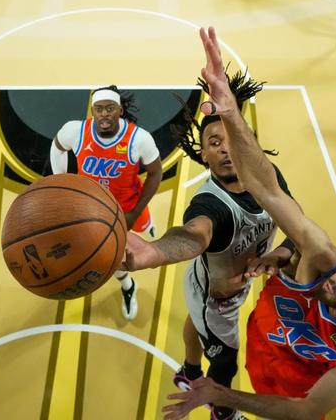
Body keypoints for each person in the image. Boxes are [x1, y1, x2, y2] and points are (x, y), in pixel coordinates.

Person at [161, 26, 336, 420]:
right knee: (206, 317)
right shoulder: (322, 257)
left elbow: (307, 409)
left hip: (290, 396)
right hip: (257, 346)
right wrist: (230, 111)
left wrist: (226, 397)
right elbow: (268, 190)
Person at [124, 71, 296, 420]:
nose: (225, 148)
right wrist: (156, 252)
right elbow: (192, 236)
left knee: (196, 321)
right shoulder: (210, 205)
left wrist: (282, 252)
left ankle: (189, 370)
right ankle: (223, 411)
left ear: (249, 143)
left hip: (219, 282)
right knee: (225, 362)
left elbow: (298, 226)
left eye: (231, 139)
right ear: (203, 155)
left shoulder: (270, 176)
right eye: (214, 143)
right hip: (216, 301)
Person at [50, 85, 163, 320]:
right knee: (111, 258)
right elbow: (57, 146)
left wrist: (135, 212)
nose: (104, 114)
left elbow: (156, 173)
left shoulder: (139, 139)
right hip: (94, 211)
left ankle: (147, 223)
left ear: (120, 110)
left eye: (110, 108)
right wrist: (61, 183)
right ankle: (128, 286)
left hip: (128, 205)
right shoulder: (75, 131)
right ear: (92, 110)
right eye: (99, 109)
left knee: (145, 226)